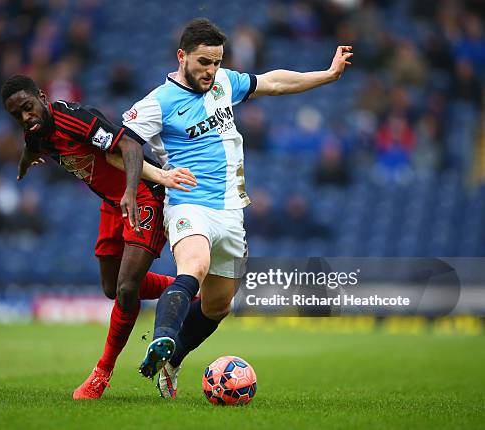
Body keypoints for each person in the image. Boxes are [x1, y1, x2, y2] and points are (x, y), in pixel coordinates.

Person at [122, 18, 352, 398]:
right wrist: (159, 177)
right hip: (190, 204)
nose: (211, 71)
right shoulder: (157, 102)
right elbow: (120, 146)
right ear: (182, 57)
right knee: (192, 267)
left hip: (231, 212)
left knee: (217, 305)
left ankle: (172, 357)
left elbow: (273, 82)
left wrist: (327, 76)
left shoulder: (225, 82)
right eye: (203, 63)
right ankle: (160, 339)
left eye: (216, 62)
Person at [1, 75, 197, 399]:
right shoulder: (36, 132)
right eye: (17, 115)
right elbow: (30, 145)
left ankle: (101, 374)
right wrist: (23, 165)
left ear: (41, 96)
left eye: (27, 107)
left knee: (126, 287)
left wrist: (131, 192)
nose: (25, 117)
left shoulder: (75, 119)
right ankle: (186, 293)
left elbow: (130, 146)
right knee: (112, 288)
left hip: (144, 195)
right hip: (112, 203)